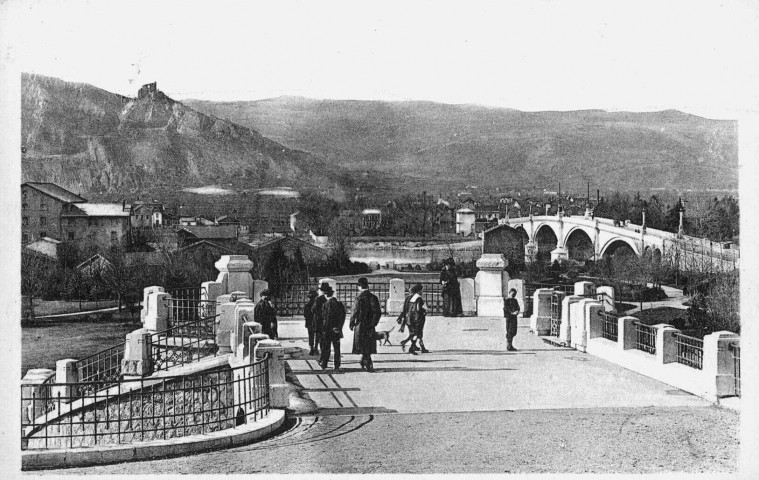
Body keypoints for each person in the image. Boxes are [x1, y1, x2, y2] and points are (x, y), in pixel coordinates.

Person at [350, 277, 382, 372]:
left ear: (359, 287)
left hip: (360, 324)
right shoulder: (373, 297)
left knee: (361, 343)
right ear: (367, 286)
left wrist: (351, 323)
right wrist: (373, 323)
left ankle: (367, 363)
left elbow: (354, 312)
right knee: (368, 343)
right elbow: (377, 312)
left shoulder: (358, 298)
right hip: (370, 325)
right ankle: (365, 361)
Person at [319, 284, 346, 373]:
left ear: (326, 295)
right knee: (337, 349)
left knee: (326, 347)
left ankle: (324, 364)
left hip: (327, 330)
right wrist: (338, 327)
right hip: (336, 330)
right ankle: (337, 366)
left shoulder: (325, 305)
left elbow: (324, 318)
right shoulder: (339, 304)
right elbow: (343, 317)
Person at [311, 282, 330, 356]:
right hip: (326, 321)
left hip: (318, 320)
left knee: (318, 336)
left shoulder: (319, 299)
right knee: (325, 339)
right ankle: (324, 353)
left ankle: (317, 349)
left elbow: (313, 309)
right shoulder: (330, 299)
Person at [304, 289, 319, 356]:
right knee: (317, 335)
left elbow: (305, 315)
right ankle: (315, 347)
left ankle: (312, 348)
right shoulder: (318, 305)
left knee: (311, 335)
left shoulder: (307, 305)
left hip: (309, 322)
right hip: (317, 322)